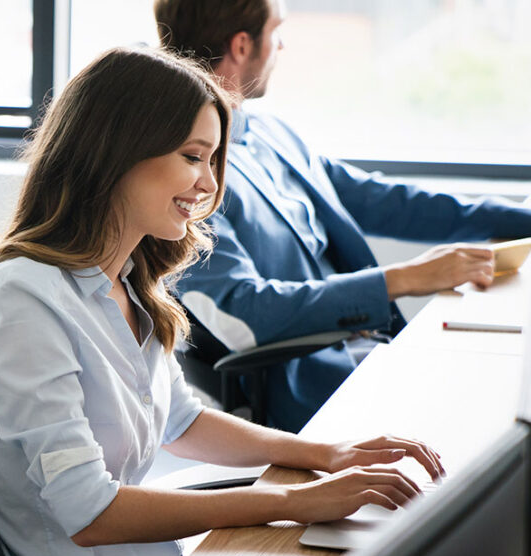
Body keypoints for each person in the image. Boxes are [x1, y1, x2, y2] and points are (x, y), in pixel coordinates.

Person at [0, 46, 444, 556]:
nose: (209, 186)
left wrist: (326, 453)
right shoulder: (26, 295)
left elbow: (180, 421)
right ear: (117, 151)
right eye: (194, 157)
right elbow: (88, 513)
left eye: (214, 161)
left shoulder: (127, 280)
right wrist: (293, 501)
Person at [154, 0, 531, 432]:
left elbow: (385, 201)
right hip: (313, 386)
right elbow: (246, 314)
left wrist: (520, 218)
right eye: (277, 30)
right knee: (496, 406)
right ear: (242, 45)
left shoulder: (269, 133)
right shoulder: (193, 176)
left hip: (371, 352)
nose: (283, 44)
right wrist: (403, 279)